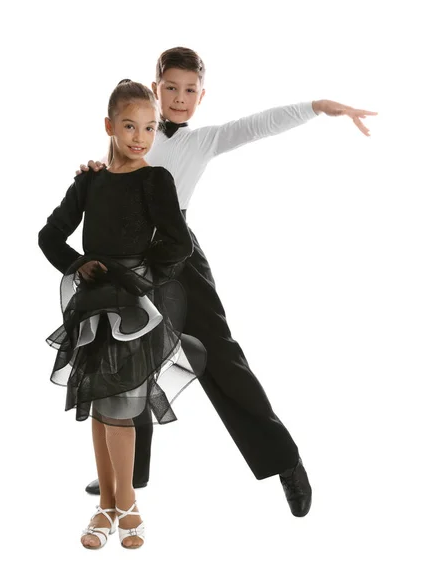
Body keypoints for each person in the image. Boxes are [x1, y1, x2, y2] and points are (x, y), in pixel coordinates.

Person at [80, 47, 378, 518]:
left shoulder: (203, 140)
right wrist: (92, 171)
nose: (180, 99)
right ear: (155, 89)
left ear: (201, 95)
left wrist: (318, 107)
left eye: (190, 90)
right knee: (128, 362)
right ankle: (129, 473)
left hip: (178, 258)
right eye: (171, 88)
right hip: (127, 258)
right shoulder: (136, 131)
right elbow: (110, 179)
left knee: (221, 359)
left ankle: (286, 462)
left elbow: (258, 124)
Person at [38, 78, 205, 550]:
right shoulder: (89, 180)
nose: (139, 137)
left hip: (133, 306)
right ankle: (108, 503)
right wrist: (78, 264)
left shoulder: (155, 180)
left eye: (150, 128)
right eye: (129, 126)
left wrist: (140, 277)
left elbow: (178, 242)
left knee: (123, 406)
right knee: (99, 400)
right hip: (93, 303)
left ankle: (126, 502)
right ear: (109, 125)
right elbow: (49, 236)